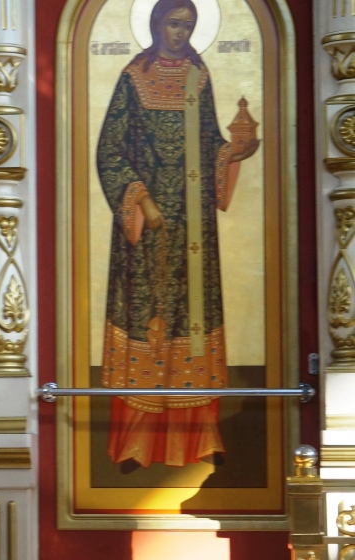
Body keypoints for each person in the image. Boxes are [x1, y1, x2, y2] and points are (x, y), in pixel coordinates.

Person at [96, 0, 259, 471]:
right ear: (155, 24)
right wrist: (142, 200)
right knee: (146, 322)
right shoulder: (133, 77)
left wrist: (233, 153)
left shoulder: (197, 75)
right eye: (173, 24)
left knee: (193, 326)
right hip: (146, 233)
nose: (180, 33)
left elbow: (208, 142)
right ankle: (135, 445)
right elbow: (109, 149)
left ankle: (201, 440)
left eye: (188, 26)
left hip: (193, 229)